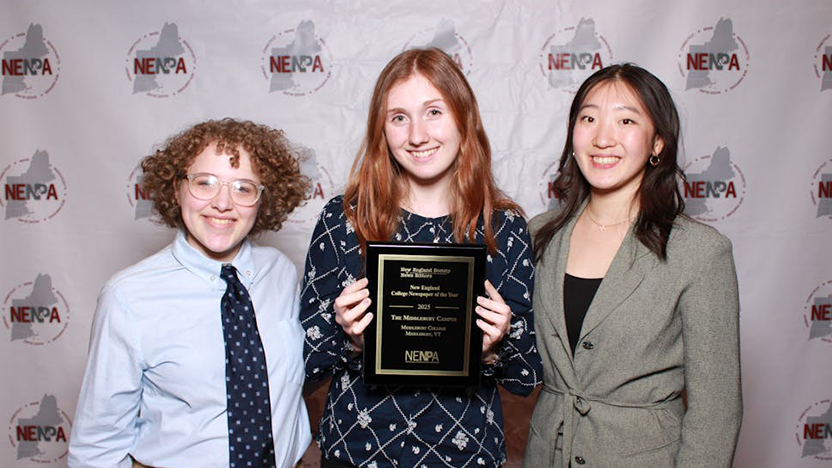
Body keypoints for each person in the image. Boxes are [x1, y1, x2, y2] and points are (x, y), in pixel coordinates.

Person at [301, 48, 542, 468]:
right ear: (383, 130)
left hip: (466, 455)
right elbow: (305, 366)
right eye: (399, 117)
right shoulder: (344, 220)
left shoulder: (502, 228)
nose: (417, 134)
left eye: (434, 112)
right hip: (356, 452)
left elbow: (526, 378)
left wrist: (497, 345)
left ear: (463, 118)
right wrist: (347, 336)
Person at [523, 64, 742, 468]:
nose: (603, 137)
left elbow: (716, 413)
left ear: (657, 142)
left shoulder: (700, 252)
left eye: (626, 120)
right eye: (588, 118)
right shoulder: (537, 236)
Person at [68, 119, 312, 468]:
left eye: (243, 188)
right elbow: (97, 445)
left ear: (262, 199)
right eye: (205, 183)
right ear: (176, 189)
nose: (223, 203)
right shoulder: (128, 297)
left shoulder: (281, 274)